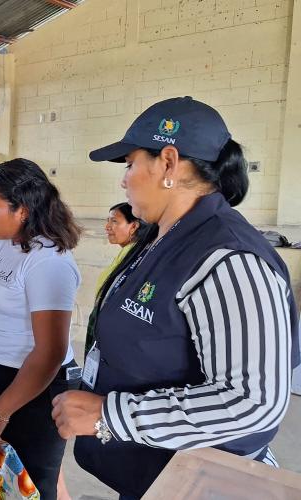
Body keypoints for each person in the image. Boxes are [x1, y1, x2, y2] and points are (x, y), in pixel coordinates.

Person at [52, 96, 300, 499]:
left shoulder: (228, 258)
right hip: (153, 472)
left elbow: (252, 401)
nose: (123, 179)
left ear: (167, 163)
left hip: (199, 481)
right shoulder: (161, 237)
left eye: (130, 164)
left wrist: (111, 414)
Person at [0, 158, 82, 500]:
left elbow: (49, 353)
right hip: (5, 381)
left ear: (22, 210)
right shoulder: (1, 242)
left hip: (39, 390)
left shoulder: (48, 261)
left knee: (35, 483)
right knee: (5, 472)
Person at [84, 203, 148, 357]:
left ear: (133, 227)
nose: (107, 226)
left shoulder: (135, 256)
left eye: (114, 221)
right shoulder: (128, 253)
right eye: (108, 220)